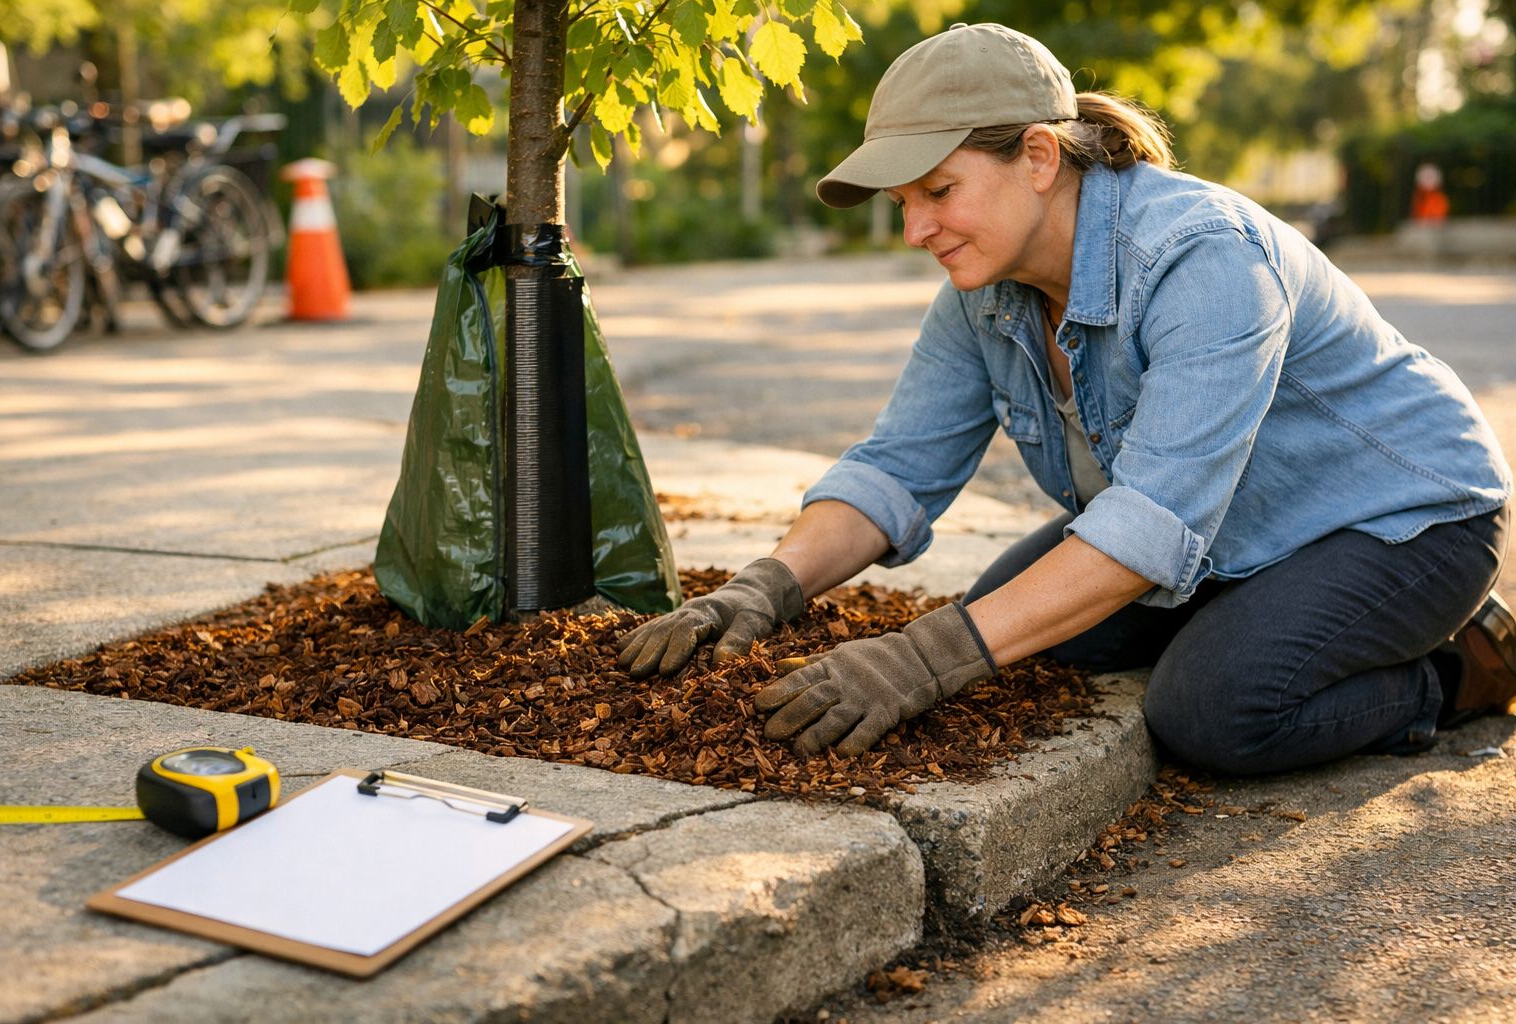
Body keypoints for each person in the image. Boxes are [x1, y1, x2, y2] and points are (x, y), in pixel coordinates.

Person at [618, 23, 1516, 774]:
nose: (916, 229)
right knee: (1028, 625)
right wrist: (763, 588)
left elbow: (1150, 523)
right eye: (903, 201)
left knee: (1209, 711)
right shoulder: (983, 291)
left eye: (939, 190)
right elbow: (899, 464)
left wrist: (920, 660)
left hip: (1403, 520)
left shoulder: (1205, 259)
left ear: (1039, 157)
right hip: (1236, 523)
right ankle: (1264, 619)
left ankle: (1458, 667)